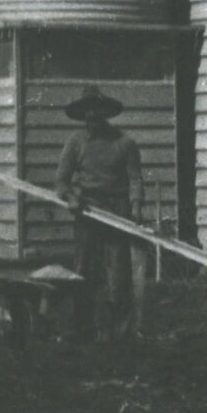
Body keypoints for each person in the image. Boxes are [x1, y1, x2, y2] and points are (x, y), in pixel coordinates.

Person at [55, 86, 144, 342]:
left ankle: (121, 332)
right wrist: (71, 197)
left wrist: (136, 207)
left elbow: (136, 180)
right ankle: (82, 329)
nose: (92, 116)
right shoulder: (75, 142)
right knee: (83, 270)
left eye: (96, 111)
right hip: (87, 212)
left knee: (117, 273)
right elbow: (61, 181)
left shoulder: (124, 142)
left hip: (117, 213)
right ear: (83, 115)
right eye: (87, 112)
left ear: (105, 113)